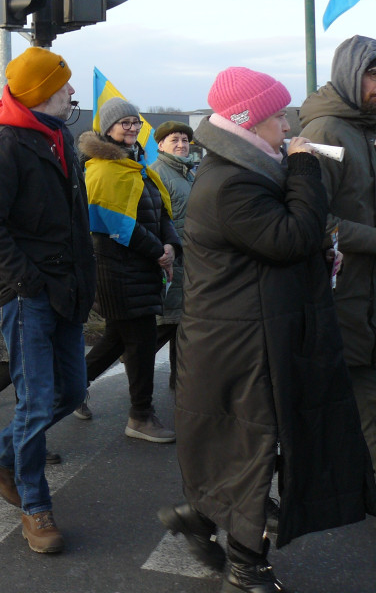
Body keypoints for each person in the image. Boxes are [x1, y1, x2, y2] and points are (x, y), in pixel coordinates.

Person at [158, 67, 376, 593]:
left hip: (253, 332)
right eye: (278, 116)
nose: (287, 124)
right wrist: (304, 168)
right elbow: (290, 237)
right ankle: (245, 566)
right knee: (256, 449)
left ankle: (201, 516)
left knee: (251, 447)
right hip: (242, 344)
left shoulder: (247, 168)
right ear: (249, 122)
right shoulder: (232, 181)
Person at [0, 47, 95, 554]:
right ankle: (35, 508)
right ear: (42, 93)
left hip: (65, 289)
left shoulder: (60, 136)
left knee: (70, 391)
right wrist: (27, 282)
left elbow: (73, 220)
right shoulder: (4, 145)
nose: (71, 93)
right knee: (38, 400)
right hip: (27, 295)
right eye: (64, 87)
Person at [77, 97, 180, 442]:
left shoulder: (138, 166)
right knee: (140, 341)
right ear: (107, 128)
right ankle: (140, 416)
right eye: (125, 123)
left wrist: (169, 245)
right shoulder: (102, 170)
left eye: (135, 122)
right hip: (116, 268)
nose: (133, 128)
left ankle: (73, 389)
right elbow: (115, 224)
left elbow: (161, 211)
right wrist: (158, 253)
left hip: (142, 266)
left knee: (118, 337)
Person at [299, 34, 376, 473]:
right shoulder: (326, 132)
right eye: (372, 73)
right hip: (344, 292)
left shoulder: (367, 127)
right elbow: (315, 218)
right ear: (349, 74)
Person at [149, 121, 195, 389]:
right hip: (171, 262)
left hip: (190, 261)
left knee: (182, 325)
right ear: (160, 144)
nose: (181, 144)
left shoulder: (188, 173)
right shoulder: (157, 173)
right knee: (164, 326)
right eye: (174, 139)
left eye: (185, 140)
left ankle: (180, 382)